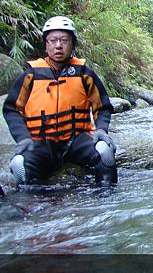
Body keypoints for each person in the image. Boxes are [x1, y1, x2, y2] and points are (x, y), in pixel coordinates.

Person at [2, 16, 117, 186]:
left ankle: (106, 202)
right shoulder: (31, 75)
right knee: (21, 166)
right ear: (46, 44)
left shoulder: (84, 73)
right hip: (41, 142)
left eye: (64, 40)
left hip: (76, 140)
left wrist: (101, 129)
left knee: (105, 154)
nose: (58, 45)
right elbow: (12, 109)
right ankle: (35, 207)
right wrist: (23, 138)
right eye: (53, 40)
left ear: (72, 44)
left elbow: (103, 106)